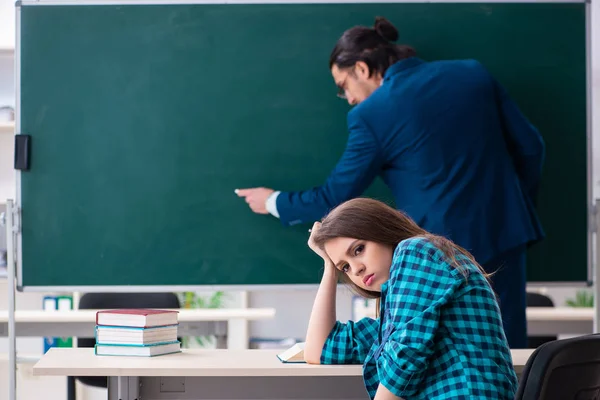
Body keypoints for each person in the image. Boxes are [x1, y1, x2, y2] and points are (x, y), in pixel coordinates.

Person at [236, 16, 544, 348]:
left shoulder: (371, 116)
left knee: (433, 355)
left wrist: (273, 202)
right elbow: (531, 147)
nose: (349, 99)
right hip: (506, 232)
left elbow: (335, 196)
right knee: (509, 351)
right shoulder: (472, 73)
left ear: (363, 69)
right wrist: (509, 204)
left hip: (434, 251)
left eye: (344, 87)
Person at [304, 197, 518, 400]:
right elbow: (320, 349)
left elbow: (404, 355)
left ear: (381, 231)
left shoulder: (415, 251)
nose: (357, 269)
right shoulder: (395, 316)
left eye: (359, 249)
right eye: (345, 267)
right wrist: (329, 267)